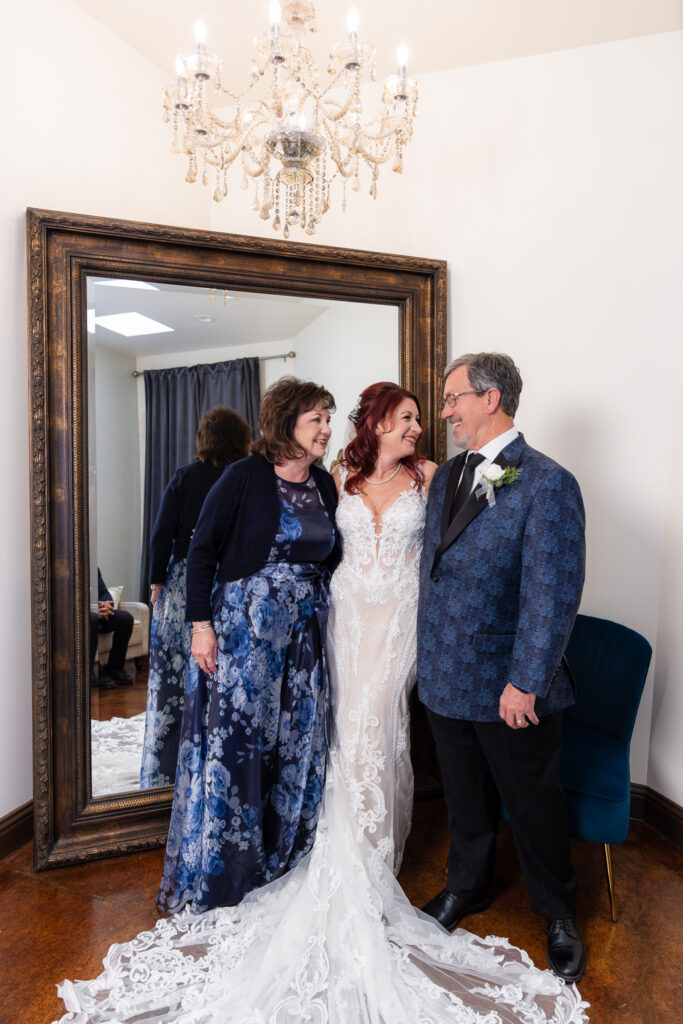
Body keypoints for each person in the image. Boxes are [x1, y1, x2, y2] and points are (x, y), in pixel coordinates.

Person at [56, 381, 588, 1024]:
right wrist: (205, 620)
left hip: (397, 631)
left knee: (379, 731)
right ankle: (346, 857)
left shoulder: (438, 476)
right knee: (337, 737)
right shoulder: (338, 475)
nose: (424, 424)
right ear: (377, 424)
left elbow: (474, 563)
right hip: (336, 626)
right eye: (409, 417)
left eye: (434, 410)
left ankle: (429, 876)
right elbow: (247, 549)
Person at [418, 353, 587, 984]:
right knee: (465, 798)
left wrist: (527, 679)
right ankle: (467, 886)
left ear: (491, 399)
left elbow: (554, 590)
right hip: (444, 673)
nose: (445, 411)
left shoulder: (548, 482)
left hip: (506, 681)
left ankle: (558, 911)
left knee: (534, 801)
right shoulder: (446, 477)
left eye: (452, 397)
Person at [157, 377, 340, 913]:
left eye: (329, 419)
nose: (327, 429)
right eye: (317, 420)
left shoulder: (325, 485)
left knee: (293, 748)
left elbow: (330, 555)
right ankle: (229, 877)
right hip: (243, 636)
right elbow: (202, 552)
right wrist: (201, 626)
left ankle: (281, 866)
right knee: (239, 752)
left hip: (303, 639)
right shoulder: (243, 476)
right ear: (287, 423)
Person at [140, 405, 251, 788]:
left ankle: (166, 767)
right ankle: (212, 763)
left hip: (185, 582)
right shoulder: (245, 478)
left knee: (172, 676)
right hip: (228, 583)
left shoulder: (185, 477)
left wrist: (156, 582)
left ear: (204, 439)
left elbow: (161, 533)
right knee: (216, 676)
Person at [89, 568, 134, 689]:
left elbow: (104, 593)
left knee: (126, 618)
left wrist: (106, 605)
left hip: (97, 614)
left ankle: (115, 668)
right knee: (91, 620)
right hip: (76, 617)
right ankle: (89, 673)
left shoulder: (92, 568)